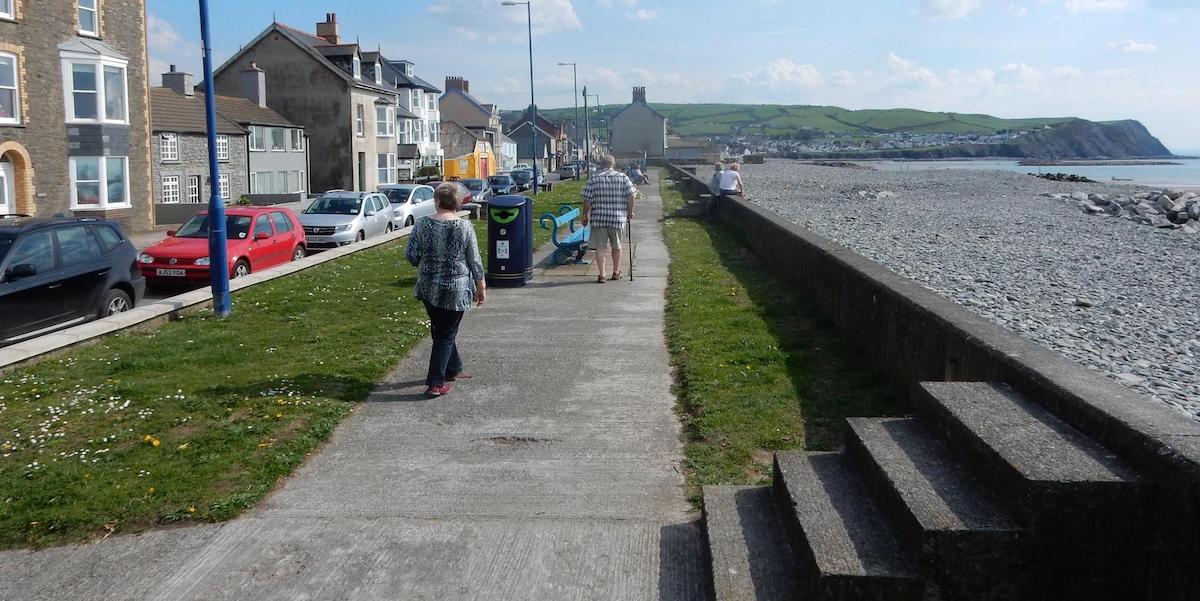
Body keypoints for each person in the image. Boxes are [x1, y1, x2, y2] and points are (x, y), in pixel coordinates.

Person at [406, 183, 486, 397]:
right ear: (457, 203)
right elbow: (474, 259)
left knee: (441, 330)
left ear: (438, 201)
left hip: (428, 287)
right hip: (456, 288)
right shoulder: (464, 227)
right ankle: (435, 383)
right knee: (445, 333)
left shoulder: (422, 224)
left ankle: (453, 368)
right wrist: (481, 286)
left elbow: (412, 255)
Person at [581, 154, 638, 283]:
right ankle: (616, 272)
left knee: (600, 248)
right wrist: (630, 211)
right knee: (616, 246)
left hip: (599, 219)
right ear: (613, 164)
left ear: (601, 164)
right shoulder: (623, 177)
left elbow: (587, 199)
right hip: (617, 219)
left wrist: (585, 215)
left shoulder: (594, 178)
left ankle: (602, 274)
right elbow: (631, 195)